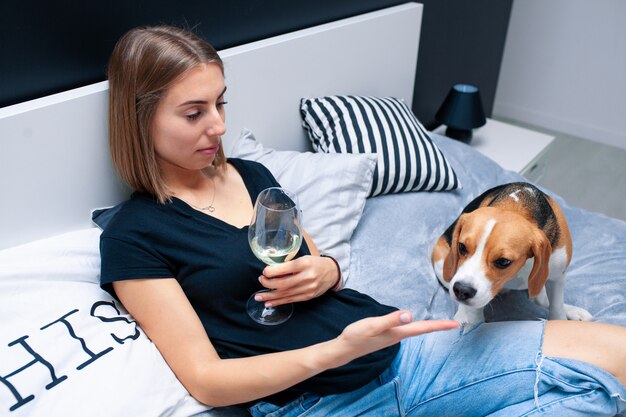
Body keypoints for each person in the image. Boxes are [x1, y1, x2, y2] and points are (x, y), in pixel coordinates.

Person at [100, 25, 626, 417]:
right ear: (141, 117)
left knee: (617, 356)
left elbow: (318, 262)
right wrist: (334, 352)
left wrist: (326, 271)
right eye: (194, 113)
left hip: (396, 353)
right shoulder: (135, 235)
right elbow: (206, 382)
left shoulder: (252, 174)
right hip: (319, 399)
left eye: (221, 103)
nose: (219, 125)